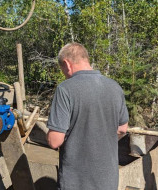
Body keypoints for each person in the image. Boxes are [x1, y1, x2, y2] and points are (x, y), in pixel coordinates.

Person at [46, 42, 129, 190]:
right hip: (108, 180)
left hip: (76, 182)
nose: (64, 74)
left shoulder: (65, 89)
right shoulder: (115, 87)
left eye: (62, 69)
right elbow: (122, 128)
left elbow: (54, 141)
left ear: (67, 63)